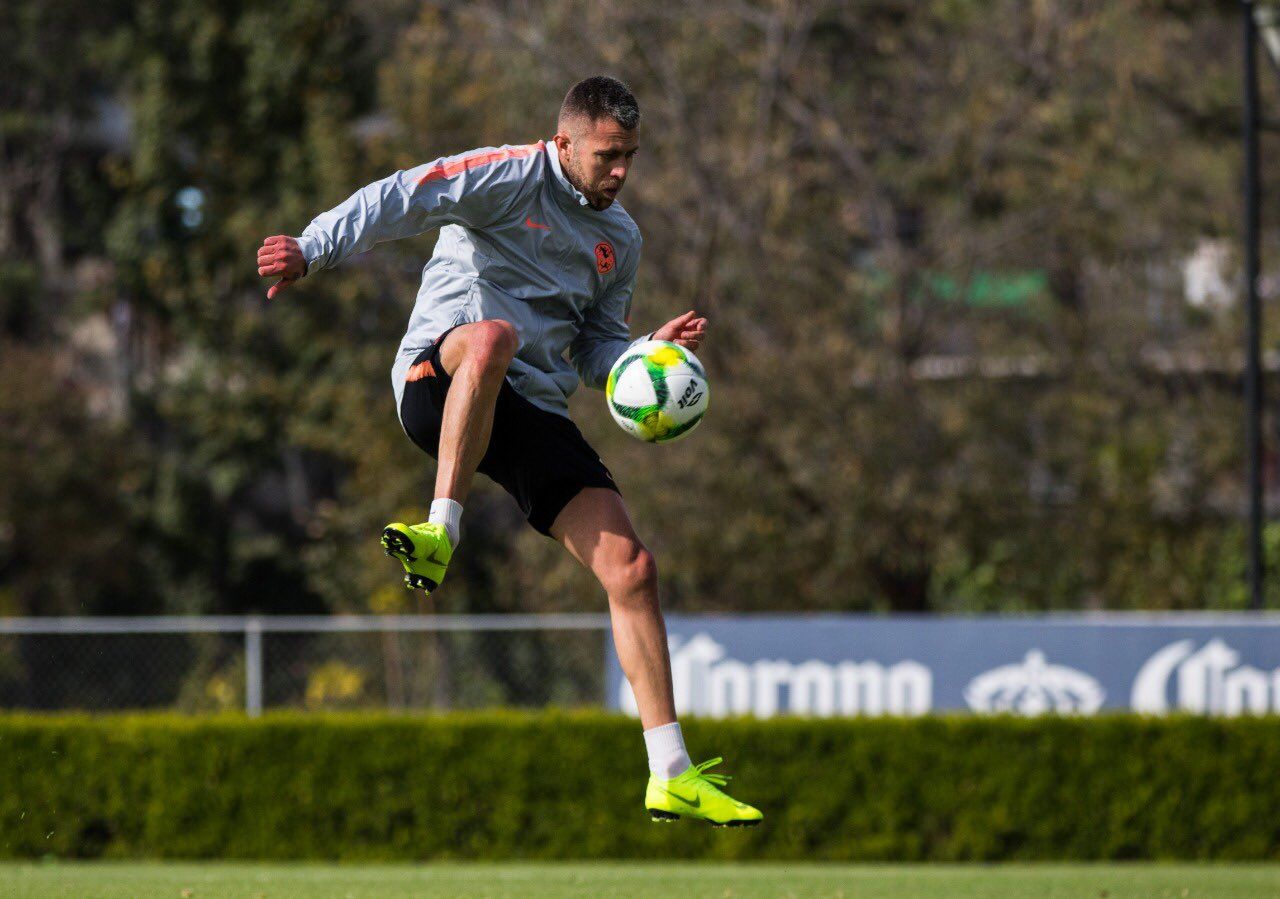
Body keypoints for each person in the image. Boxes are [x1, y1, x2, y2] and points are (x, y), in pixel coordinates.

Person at [256, 76, 759, 827]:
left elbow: (593, 353)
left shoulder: (620, 239)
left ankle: (670, 770)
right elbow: (403, 194)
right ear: (565, 144)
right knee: (494, 334)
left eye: (630, 157)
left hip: (532, 408)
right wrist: (312, 248)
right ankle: (439, 529)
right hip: (441, 377)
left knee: (634, 569)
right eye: (607, 155)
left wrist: (638, 354)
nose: (620, 171)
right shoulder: (504, 174)